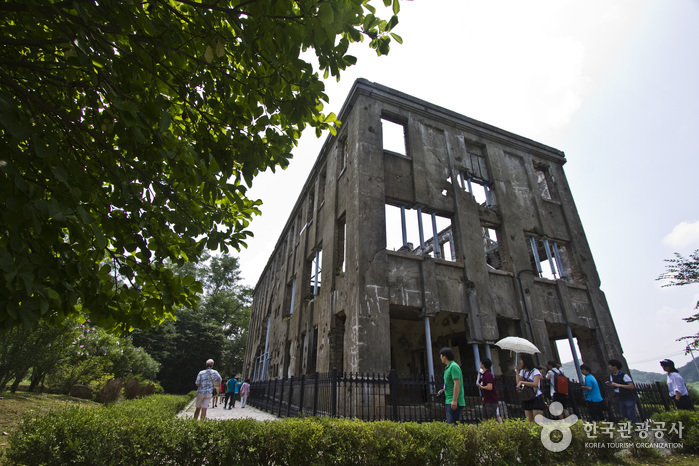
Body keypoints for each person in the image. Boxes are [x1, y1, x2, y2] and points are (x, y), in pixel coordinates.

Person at [437, 347, 465, 425]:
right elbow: (450, 384)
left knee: (452, 425)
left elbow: (457, 383)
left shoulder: (454, 366)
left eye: (441, 356)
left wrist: (454, 400)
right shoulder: (447, 368)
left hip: (454, 400)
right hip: (449, 399)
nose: (440, 358)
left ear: (444, 356)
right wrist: (443, 390)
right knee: (450, 424)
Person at [516, 353, 546, 422]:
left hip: (536, 397)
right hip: (527, 398)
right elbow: (518, 383)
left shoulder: (535, 371)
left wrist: (523, 382)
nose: (520, 361)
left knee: (537, 422)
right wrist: (517, 372)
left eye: (521, 360)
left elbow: (535, 384)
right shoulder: (523, 372)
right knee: (529, 422)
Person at [606, 358, 636, 423]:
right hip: (620, 397)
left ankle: (634, 428)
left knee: (630, 415)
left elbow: (631, 386)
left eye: (610, 365)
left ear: (615, 366)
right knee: (625, 416)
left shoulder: (624, 375)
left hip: (628, 397)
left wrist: (619, 385)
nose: (609, 367)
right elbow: (614, 385)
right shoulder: (612, 376)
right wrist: (610, 384)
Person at [477, 357, 502, 422]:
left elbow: (489, 387)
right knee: (484, 417)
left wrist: (482, 387)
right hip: (486, 400)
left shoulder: (488, 375)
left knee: (491, 419)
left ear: (483, 364)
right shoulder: (484, 374)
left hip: (491, 401)